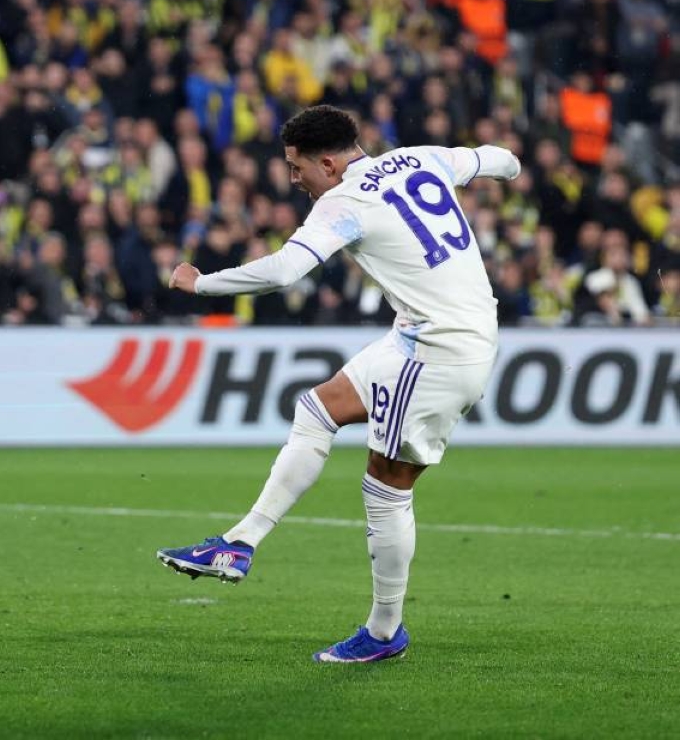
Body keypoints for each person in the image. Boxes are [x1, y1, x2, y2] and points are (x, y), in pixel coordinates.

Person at [156, 106, 520, 663]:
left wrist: (201, 283)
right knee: (317, 409)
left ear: (327, 162)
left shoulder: (344, 203)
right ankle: (238, 543)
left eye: (297, 169)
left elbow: (282, 272)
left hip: (436, 350)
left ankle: (383, 632)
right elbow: (501, 160)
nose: (294, 179)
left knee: (387, 489)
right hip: (429, 334)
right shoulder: (419, 158)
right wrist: (507, 169)